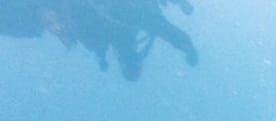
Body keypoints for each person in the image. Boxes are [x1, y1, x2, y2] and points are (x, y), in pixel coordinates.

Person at [0, 0, 198, 80]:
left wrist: (186, 45)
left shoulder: (131, 16)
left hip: (122, 19)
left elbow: (163, 28)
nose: (56, 29)